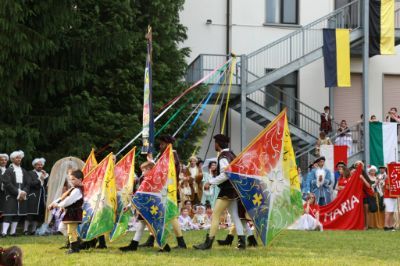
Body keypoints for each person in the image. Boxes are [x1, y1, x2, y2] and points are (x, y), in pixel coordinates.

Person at [194, 134, 247, 250]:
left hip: (227, 191)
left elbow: (226, 174)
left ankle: (208, 243)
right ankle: (242, 243)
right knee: (235, 216)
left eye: (215, 143)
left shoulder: (223, 156)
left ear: (218, 143)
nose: (214, 145)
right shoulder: (231, 154)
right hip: (233, 189)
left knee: (215, 215)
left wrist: (210, 182)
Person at [140, 135, 187, 251]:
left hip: (169, 190)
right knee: (161, 215)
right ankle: (151, 240)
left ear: (168, 144)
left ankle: (181, 243)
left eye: (162, 144)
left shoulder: (171, 154)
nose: (160, 146)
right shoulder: (167, 154)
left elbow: (165, 171)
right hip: (165, 190)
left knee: (170, 216)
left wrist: (151, 162)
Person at [119, 161, 155, 252]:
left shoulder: (148, 181)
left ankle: (164, 245)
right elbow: (138, 194)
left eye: (144, 170)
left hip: (147, 207)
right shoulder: (148, 180)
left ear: (150, 170)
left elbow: (139, 194)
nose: (142, 172)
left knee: (152, 228)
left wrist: (129, 205)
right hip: (145, 207)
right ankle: (133, 245)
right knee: (141, 225)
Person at [49, 170, 84, 254]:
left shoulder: (77, 190)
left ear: (80, 179)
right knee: (62, 228)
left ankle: (74, 248)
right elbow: (63, 197)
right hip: (69, 213)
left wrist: (58, 205)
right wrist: (53, 203)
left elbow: (68, 201)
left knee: (71, 230)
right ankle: (77, 242)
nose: (71, 181)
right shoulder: (73, 189)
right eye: (70, 179)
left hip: (74, 213)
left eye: (73, 179)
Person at [1, 151, 30, 237]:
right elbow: (7, 183)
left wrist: (24, 192)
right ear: (12, 159)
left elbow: (28, 183)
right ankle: (4, 233)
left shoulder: (24, 171)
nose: (19, 159)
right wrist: (18, 192)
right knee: (9, 214)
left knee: (18, 215)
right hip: (11, 195)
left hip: (22, 196)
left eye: (20, 158)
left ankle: (12, 232)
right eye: (17, 158)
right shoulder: (9, 171)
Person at [25, 158, 49, 235]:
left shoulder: (45, 174)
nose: (40, 166)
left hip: (42, 196)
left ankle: (33, 230)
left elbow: (47, 185)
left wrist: (45, 178)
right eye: (38, 165)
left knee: (38, 214)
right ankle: (25, 230)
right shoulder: (30, 173)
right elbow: (29, 183)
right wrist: (39, 179)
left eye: (41, 165)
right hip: (33, 196)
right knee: (30, 213)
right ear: (34, 165)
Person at [0, 153, 9, 219]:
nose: (3, 161)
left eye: (5, 160)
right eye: (2, 160)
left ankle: (3, 229)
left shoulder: (9, 171)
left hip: (6, 194)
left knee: (4, 213)